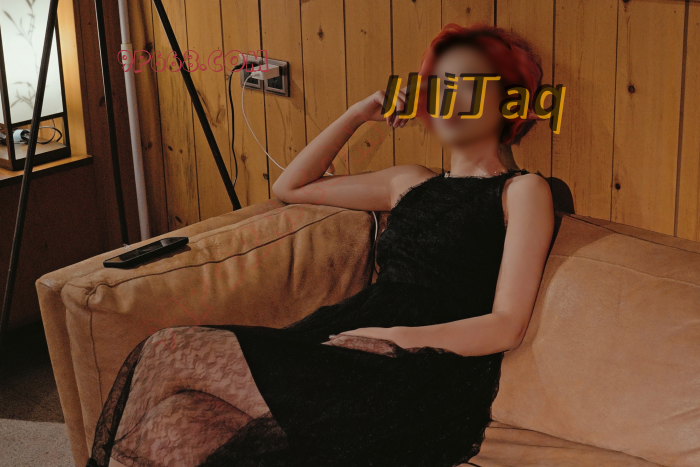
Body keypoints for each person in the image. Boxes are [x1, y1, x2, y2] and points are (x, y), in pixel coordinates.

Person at [87, 22, 555, 467]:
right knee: (176, 420)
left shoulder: (522, 191)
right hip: (345, 336)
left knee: (170, 347)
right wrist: (359, 113)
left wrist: (395, 339)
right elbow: (291, 186)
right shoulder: (409, 181)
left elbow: (506, 325)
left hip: (420, 367)